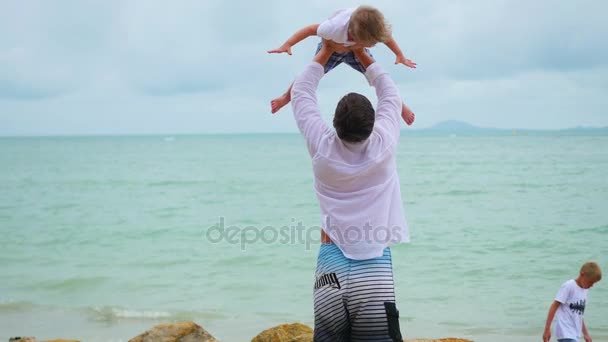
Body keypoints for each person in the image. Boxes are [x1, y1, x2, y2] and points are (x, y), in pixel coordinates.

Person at [291, 39, 409, 341]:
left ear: (334, 125)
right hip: (374, 266)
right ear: (373, 125)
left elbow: (301, 92)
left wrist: (327, 49)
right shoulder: (384, 144)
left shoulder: (323, 148)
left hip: (331, 262)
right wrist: (360, 53)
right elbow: (389, 92)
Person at [269, 5, 417, 126]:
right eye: (369, 44)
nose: (372, 46)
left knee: (377, 75)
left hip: (355, 51)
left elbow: (386, 37)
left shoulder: (371, 28)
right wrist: (288, 44)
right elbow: (309, 30)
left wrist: (399, 54)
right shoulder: (332, 28)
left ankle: (400, 106)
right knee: (309, 74)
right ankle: (285, 97)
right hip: (332, 49)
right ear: (353, 35)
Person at [543, 262, 602, 342]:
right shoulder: (569, 286)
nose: (592, 285)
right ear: (582, 274)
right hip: (565, 331)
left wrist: (586, 334)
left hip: (575, 335)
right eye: (590, 282)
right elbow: (554, 306)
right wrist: (547, 329)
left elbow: (579, 315)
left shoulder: (585, 291)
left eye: (594, 283)